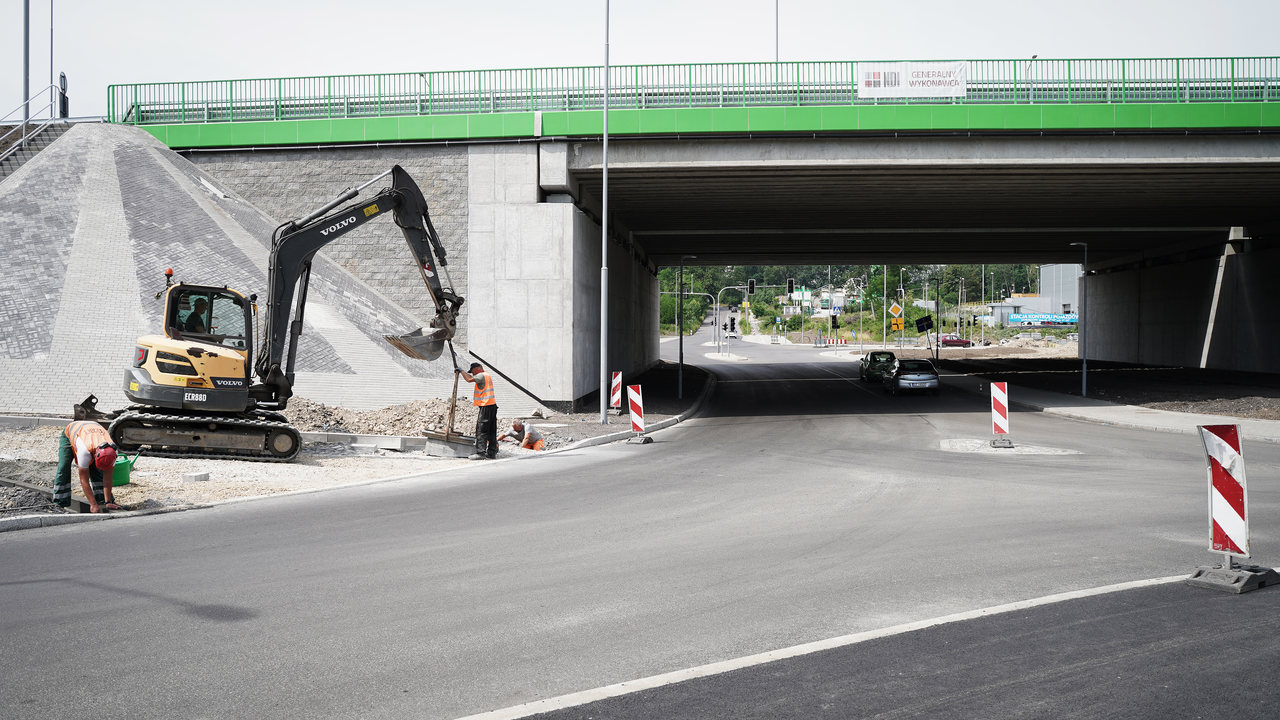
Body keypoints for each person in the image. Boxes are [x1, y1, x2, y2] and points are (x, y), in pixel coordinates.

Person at [54, 420, 121, 513]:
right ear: (95, 454)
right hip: (71, 432)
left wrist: (108, 502)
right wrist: (93, 505)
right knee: (63, 467)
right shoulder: (84, 451)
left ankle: (102, 500)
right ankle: (59, 503)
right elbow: (84, 481)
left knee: (97, 471)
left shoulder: (113, 453)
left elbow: (108, 479)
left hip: (92, 432)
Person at [458, 361, 498, 459]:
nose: (473, 374)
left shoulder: (481, 375)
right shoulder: (487, 375)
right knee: (491, 431)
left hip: (486, 406)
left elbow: (469, 379)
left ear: (478, 368)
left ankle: (481, 453)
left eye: (473, 371)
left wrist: (461, 371)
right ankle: (492, 453)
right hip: (492, 405)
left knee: (482, 430)